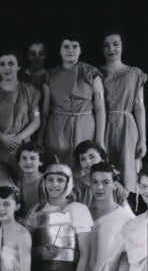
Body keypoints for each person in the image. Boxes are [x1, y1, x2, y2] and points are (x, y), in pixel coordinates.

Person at [43, 36, 105, 172]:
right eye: (66, 46)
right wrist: (41, 139)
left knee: (85, 164)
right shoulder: (50, 75)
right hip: (57, 128)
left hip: (85, 125)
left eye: (74, 46)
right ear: (59, 50)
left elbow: (100, 109)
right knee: (58, 166)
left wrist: (100, 140)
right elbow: (45, 111)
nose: (70, 50)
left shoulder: (91, 73)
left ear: (81, 50)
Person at [0, 49, 43, 174]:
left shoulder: (30, 90)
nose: (6, 68)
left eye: (11, 63)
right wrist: (2, 137)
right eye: (2, 64)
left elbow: (36, 120)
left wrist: (19, 138)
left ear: (18, 66)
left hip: (23, 148)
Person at [99, 30, 148, 193]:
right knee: (103, 170)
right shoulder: (96, 72)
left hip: (126, 127)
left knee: (126, 171)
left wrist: (143, 140)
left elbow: (139, 106)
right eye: (106, 45)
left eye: (115, 44)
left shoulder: (134, 73)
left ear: (122, 46)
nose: (111, 49)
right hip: (102, 125)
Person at [72, 140, 128, 207]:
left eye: (92, 157)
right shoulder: (73, 186)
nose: (87, 161)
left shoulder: (115, 186)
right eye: (82, 159)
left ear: (102, 158)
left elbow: (126, 213)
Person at [18, 40, 51, 123]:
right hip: (22, 121)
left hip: (44, 121)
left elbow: (46, 111)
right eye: (33, 54)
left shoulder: (50, 76)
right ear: (28, 55)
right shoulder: (20, 76)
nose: (37, 58)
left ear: (46, 55)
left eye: (41, 54)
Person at [15, 141, 46, 217]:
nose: (28, 162)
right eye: (24, 158)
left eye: (32, 158)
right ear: (19, 162)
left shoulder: (47, 180)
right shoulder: (17, 184)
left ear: (40, 162)